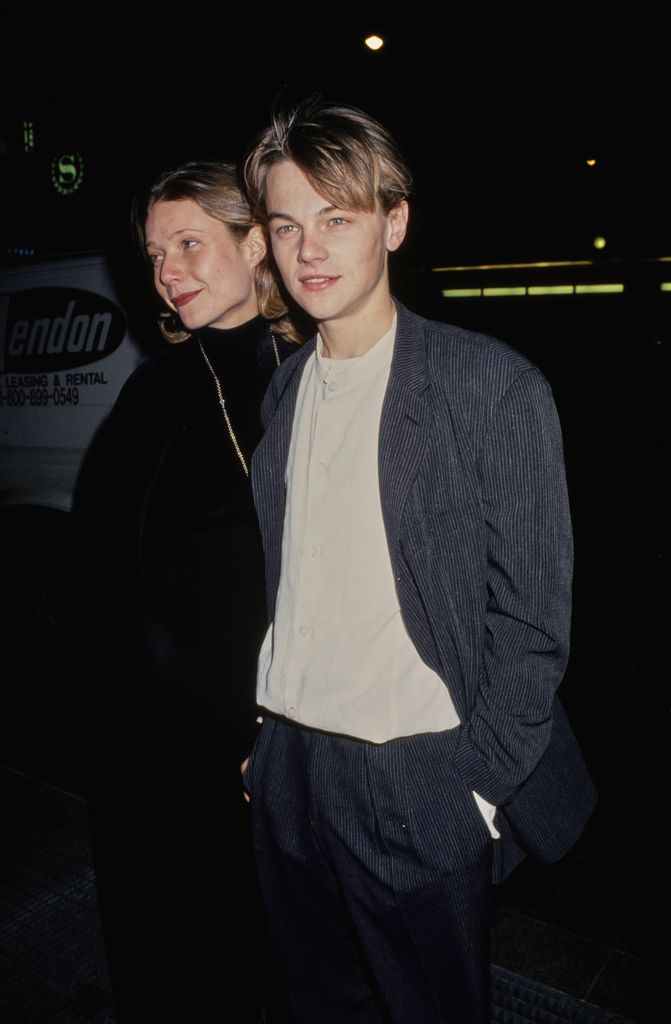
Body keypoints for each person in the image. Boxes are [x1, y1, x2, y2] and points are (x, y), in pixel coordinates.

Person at [239, 99, 597, 1023]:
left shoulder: (490, 388)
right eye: (288, 225)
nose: (309, 248)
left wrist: (470, 790)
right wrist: (269, 742)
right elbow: (292, 588)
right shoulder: (283, 393)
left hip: (416, 782)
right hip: (289, 775)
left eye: (338, 218)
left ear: (393, 223)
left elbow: (531, 631)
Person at [73, 161, 298, 1022]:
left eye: (190, 244)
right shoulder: (156, 390)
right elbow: (101, 572)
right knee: (184, 947)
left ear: (254, 242)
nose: (167, 272)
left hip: (285, 717)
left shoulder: (313, 365)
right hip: (169, 740)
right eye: (155, 253)